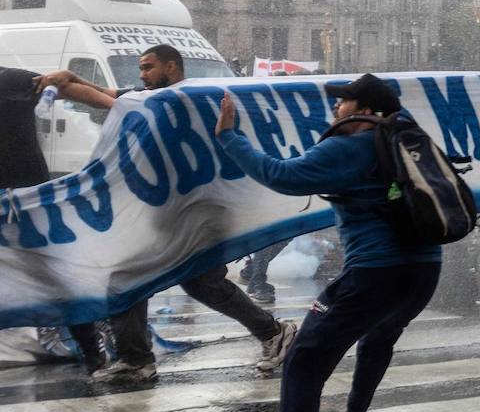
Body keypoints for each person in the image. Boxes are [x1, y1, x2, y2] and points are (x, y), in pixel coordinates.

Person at [214, 72, 444, 412]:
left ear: (363, 111)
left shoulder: (353, 144)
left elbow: (281, 175)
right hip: (424, 269)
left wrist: (230, 136)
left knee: (302, 360)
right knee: (377, 341)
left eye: (344, 103)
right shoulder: (408, 135)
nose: (336, 110)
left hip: (375, 273)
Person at [40, 45, 297, 384]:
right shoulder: (146, 98)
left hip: (198, 212)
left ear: (172, 67)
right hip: (166, 212)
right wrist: (63, 80)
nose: (142, 74)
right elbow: (102, 95)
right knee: (181, 282)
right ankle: (271, 333)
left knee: (147, 279)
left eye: (148, 67)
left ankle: (140, 358)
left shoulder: (193, 99)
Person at [0, 65, 117, 372]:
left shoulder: (11, 80)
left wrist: (117, 106)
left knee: (55, 276)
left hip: (25, 200)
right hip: (22, 198)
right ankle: (90, 348)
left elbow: (64, 87)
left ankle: (92, 348)